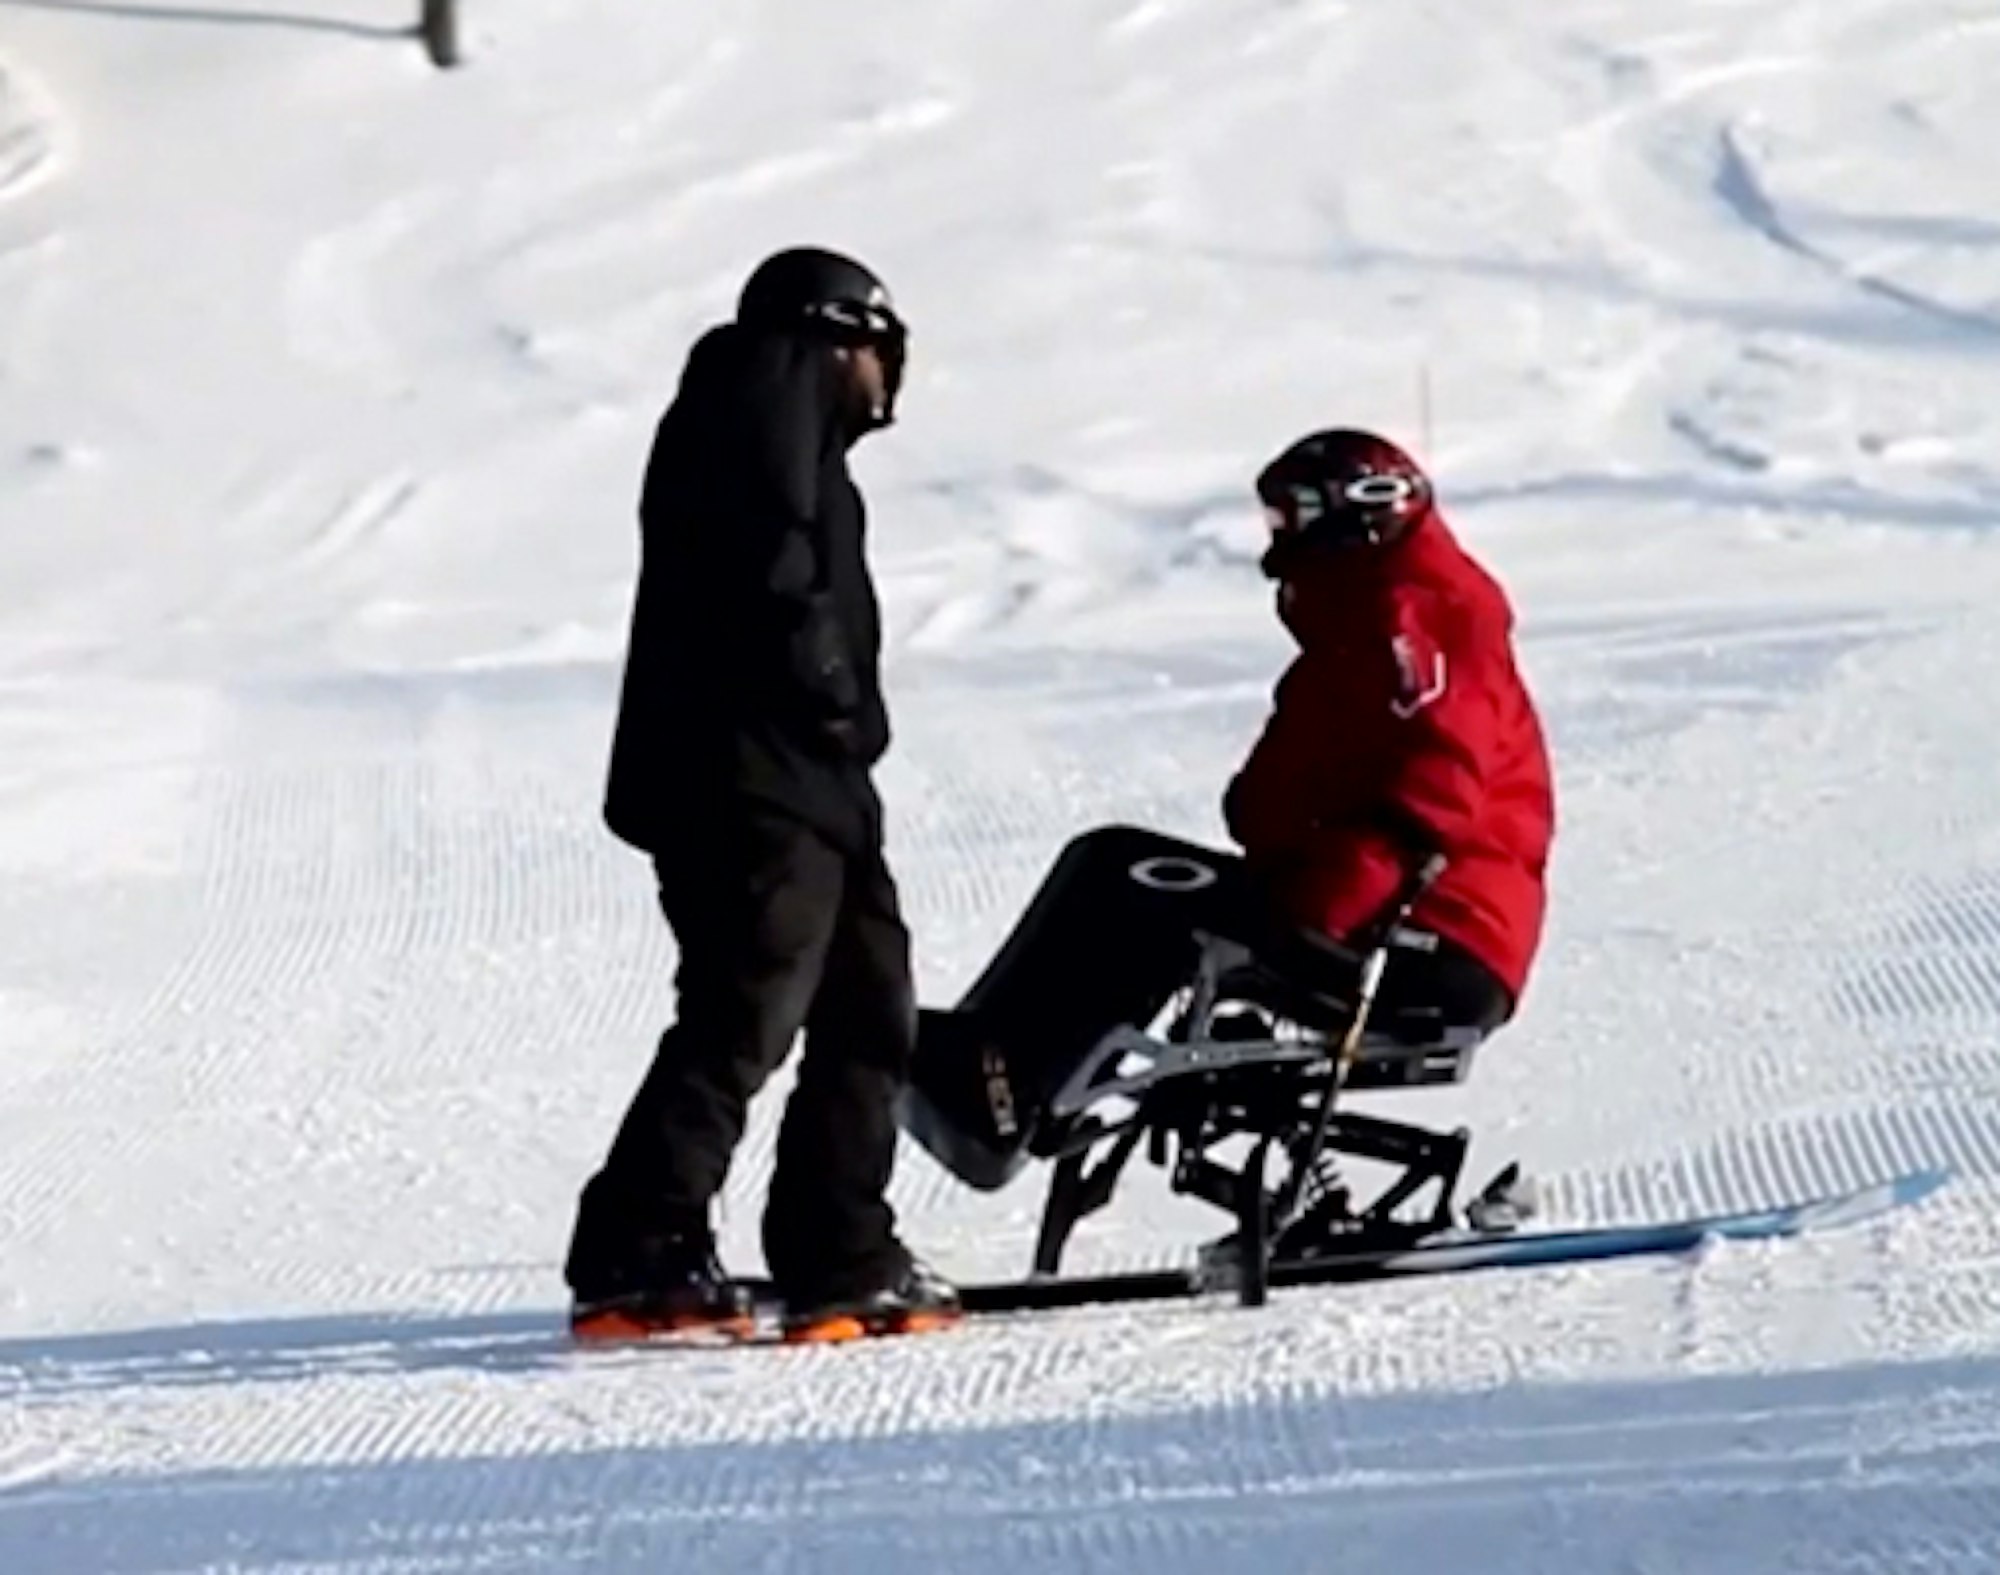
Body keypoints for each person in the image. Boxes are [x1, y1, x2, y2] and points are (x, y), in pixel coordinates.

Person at [903, 429, 1555, 1192]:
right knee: (1119, 866)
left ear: (1361, 511)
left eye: (1292, 517)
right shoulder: (1361, 627)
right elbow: (1284, 785)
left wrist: (1325, 911)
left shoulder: (1420, 612)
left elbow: (1436, 777)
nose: (1278, 543)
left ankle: (999, 1089)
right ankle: (996, 1069)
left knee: (1129, 877)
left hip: (1430, 932)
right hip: (1386, 907)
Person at [566, 246, 959, 1344]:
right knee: (747, 1012)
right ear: (842, 338)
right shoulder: (766, 393)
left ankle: (840, 1249)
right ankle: (639, 1247)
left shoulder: (773, 423)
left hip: (797, 782)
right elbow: (777, 572)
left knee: (865, 1010)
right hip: (756, 780)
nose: (887, 377)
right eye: (879, 350)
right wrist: (830, 692)